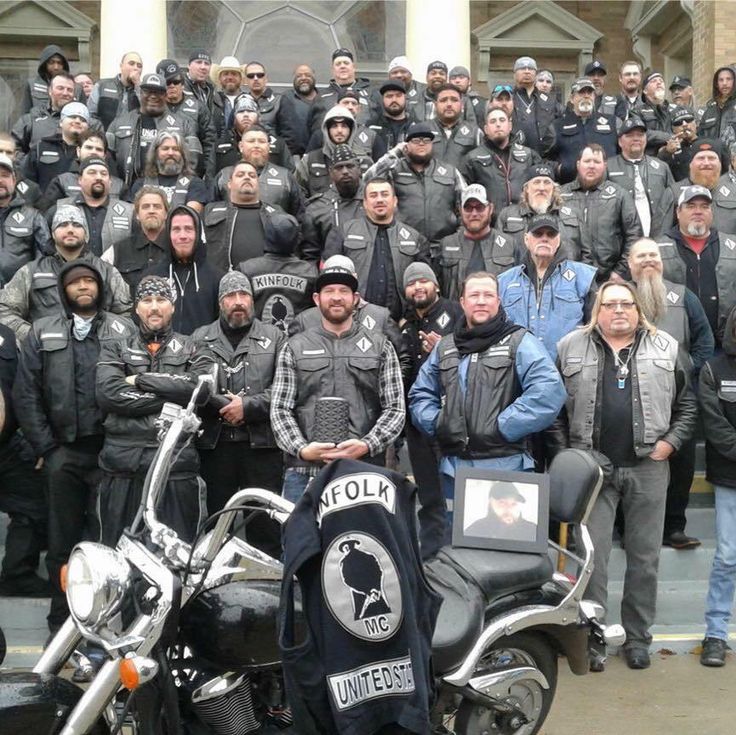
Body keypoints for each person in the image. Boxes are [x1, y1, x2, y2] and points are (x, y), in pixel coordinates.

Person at [554, 281, 696, 670]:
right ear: (597, 310)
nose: (619, 310)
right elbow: (555, 412)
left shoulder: (667, 348)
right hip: (593, 473)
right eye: (610, 304)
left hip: (648, 467)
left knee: (644, 559)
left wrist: (669, 444)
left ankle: (637, 639)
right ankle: (594, 639)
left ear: (639, 309)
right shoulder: (569, 347)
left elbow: (688, 406)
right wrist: (570, 456)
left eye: (626, 304)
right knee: (592, 560)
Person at [13, 260, 134, 632]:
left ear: (100, 287)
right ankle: (60, 627)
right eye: (75, 283)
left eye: (89, 281)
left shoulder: (123, 330)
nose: (83, 287)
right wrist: (48, 449)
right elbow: (26, 394)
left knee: (108, 547)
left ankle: (106, 628)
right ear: (63, 291)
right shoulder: (41, 331)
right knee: (62, 548)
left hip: (111, 456)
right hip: (62, 455)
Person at [409, 270, 566, 537]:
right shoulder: (445, 347)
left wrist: (501, 427)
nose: (481, 301)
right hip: (454, 470)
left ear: (498, 301)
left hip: (506, 466)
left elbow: (549, 391)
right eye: (474, 295)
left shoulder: (519, 342)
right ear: (462, 301)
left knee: (502, 552)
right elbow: (420, 395)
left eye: (488, 295)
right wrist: (440, 423)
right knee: (455, 550)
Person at [270, 262, 405, 502]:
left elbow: (395, 408)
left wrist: (366, 445)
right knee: (301, 539)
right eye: (329, 291)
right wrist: (302, 449)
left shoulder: (380, 346)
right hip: (304, 472)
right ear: (316, 298)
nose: (336, 298)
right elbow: (280, 408)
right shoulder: (294, 347)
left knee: (361, 538)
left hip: (365, 470)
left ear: (355, 299)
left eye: (343, 291)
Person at [95, 275, 213, 546]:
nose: (154, 307)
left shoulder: (194, 346)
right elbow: (109, 395)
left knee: (180, 556)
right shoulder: (116, 346)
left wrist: (138, 380)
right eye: (147, 300)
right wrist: (173, 399)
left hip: (176, 467)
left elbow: (201, 390)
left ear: (172, 306)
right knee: (118, 555)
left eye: (161, 300)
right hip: (123, 464)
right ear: (136, 308)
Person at [627, 238, 714, 549]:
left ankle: (674, 527)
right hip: (630, 395)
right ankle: (630, 529)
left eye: (654, 254)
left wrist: (688, 372)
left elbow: (705, 340)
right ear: (630, 263)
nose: (649, 260)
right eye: (642, 256)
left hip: (679, 396)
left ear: (662, 261)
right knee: (633, 464)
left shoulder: (683, 295)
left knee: (681, 461)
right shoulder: (620, 297)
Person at [192, 271, 285, 516]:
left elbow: (287, 389)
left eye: (244, 294)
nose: (238, 302)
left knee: (264, 527)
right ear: (220, 302)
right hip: (214, 447)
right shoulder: (199, 338)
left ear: (252, 300)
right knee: (214, 526)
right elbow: (191, 387)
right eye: (231, 296)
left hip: (262, 448)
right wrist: (223, 405)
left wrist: (248, 406)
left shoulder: (276, 338)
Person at [401, 262, 463, 559]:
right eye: (412, 284)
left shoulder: (456, 312)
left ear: (436, 285)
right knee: (428, 495)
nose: (418, 287)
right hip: (418, 423)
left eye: (424, 281)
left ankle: (455, 556)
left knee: (454, 494)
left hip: (453, 419)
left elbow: (476, 354)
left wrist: (447, 348)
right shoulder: (406, 322)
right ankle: (430, 559)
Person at [0, 204, 131, 343]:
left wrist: (107, 339)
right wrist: (35, 336)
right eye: (62, 225)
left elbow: (126, 314)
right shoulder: (31, 271)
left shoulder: (107, 271)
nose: (70, 229)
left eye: (76, 225)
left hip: (99, 355)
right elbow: (4, 310)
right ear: (52, 234)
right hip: (47, 354)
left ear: (86, 234)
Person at [322, 177, 431, 320]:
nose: (379, 200)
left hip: (400, 322)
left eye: (384, 194)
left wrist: (410, 320)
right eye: (373, 196)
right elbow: (327, 279)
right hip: (354, 320)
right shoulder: (343, 232)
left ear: (395, 201)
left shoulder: (415, 238)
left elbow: (425, 284)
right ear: (365, 203)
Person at [497, 213, 597, 360]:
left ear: (558, 240)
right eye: (538, 234)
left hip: (568, 368)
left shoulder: (583, 277)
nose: (544, 238)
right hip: (516, 369)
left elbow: (596, 327)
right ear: (526, 239)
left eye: (551, 234)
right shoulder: (504, 281)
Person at [698, 306, 736, 667]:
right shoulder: (714, 369)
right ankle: (716, 633)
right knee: (727, 556)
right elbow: (714, 423)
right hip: (730, 476)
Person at [0, 323, 48, 599]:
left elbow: (24, 387)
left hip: (8, 446)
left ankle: (17, 574)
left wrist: (35, 440)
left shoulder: (6, 336)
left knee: (33, 503)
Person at [658, 185, 736, 345]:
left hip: (725, 343)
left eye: (704, 206)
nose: (698, 211)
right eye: (691, 206)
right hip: (676, 342)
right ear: (678, 212)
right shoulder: (657, 248)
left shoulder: (732, 245)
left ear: (712, 212)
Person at [560, 144, 642, 281]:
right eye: (587, 161)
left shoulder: (619, 195)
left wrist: (621, 272)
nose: (591, 166)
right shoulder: (560, 195)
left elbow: (634, 234)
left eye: (597, 162)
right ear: (578, 164)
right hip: (568, 276)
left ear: (605, 165)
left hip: (609, 277)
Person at [107, 73, 200, 188]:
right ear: (140, 93)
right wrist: (118, 187)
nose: (153, 96)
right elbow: (107, 157)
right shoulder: (119, 123)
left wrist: (179, 187)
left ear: (166, 95)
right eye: (148, 91)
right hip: (127, 190)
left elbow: (194, 161)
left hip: (169, 191)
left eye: (158, 92)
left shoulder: (184, 124)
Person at [144, 205, 222, 335]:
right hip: (161, 352)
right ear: (168, 234)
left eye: (188, 229)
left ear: (198, 234)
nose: (182, 236)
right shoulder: (151, 277)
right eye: (176, 229)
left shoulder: (217, 278)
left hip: (203, 353)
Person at [237, 213, 316, 332]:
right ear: (297, 238)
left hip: (256, 343)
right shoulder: (309, 272)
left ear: (267, 235)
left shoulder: (246, 269)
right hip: (297, 342)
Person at [497, 163, 590, 263]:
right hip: (519, 277)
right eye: (536, 182)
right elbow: (498, 254)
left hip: (566, 276)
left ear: (554, 189)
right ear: (526, 188)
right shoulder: (507, 215)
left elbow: (588, 255)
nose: (541, 188)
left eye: (547, 182)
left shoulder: (573, 214)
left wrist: (577, 277)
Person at [437, 184, 515, 300]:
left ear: (491, 209)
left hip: (500, 316)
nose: (474, 213)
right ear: (460, 210)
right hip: (457, 316)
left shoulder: (510, 244)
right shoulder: (446, 245)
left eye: (480, 207)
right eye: (468, 208)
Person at [392, 121, 463, 246]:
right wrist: (395, 154)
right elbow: (369, 179)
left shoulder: (450, 172)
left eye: (426, 140)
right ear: (406, 145)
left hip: (444, 246)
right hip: (405, 245)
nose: (421, 143)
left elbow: (465, 205)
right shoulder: (395, 170)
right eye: (415, 140)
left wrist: (459, 237)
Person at [203, 160, 283, 272]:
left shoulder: (277, 213)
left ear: (258, 183)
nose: (247, 177)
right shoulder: (210, 211)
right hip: (221, 281)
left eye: (252, 175)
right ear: (229, 184)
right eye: (240, 175)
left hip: (266, 283)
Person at [212, 124, 303, 219]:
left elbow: (300, 215)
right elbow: (211, 212)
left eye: (261, 141)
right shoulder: (224, 176)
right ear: (241, 146)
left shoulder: (285, 177)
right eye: (251, 141)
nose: (256, 145)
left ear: (268, 147)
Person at [463, 107, 541, 216]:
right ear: (485, 129)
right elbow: (464, 196)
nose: (498, 124)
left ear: (510, 126)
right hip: (489, 223)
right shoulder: (472, 158)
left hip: (524, 221)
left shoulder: (528, 155)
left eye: (502, 120)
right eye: (493, 121)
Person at [50, 157, 134, 256]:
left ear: (110, 181)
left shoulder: (130, 212)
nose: (99, 177)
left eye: (103, 174)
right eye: (92, 172)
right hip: (72, 269)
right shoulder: (59, 208)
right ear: (80, 180)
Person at [607, 116, 675, 238]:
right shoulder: (608, 167)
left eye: (640, 135)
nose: (636, 139)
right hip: (621, 238)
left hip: (658, 236)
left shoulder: (661, 167)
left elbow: (673, 201)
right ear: (620, 141)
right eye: (630, 135)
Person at [543, 77, 618, 185]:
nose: (586, 96)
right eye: (581, 92)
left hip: (607, 188)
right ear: (572, 98)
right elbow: (543, 158)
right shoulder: (557, 126)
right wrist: (560, 169)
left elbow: (624, 152)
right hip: (571, 188)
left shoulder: (613, 122)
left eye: (590, 93)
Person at [300, 144, 364, 263]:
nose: (345, 171)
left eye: (350, 166)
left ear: (359, 169)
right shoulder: (316, 208)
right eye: (339, 167)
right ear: (330, 172)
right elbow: (310, 256)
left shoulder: (373, 202)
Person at [37, 128, 125, 213]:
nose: (93, 152)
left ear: (104, 156)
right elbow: (47, 216)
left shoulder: (119, 186)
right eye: (89, 147)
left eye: (99, 149)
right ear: (78, 151)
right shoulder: (61, 182)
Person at [156, 59, 215, 179]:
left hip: (192, 175)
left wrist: (208, 177)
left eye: (176, 81)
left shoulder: (199, 107)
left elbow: (210, 143)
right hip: (158, 173)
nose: (172, 86)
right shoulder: (152, 108)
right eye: (167, 82)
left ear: (182, 84)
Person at [101, 185, 168, 292]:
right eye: (146, 206)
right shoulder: (117, 251)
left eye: (157, 206)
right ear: (137, 214)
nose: (151, 211)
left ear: (166, 214)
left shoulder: (178, 248)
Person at [296, 105, 371, 198]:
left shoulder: (364, 160)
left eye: (344, 126)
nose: (339, 131)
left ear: (351, 129)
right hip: (319, 210)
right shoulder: (309, 160)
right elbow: (297, 195)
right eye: (334, 126)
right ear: (326, 130)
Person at [0, 152, 51, 287]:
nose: (0, 180)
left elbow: (46, 258)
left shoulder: (33, 217)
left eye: (4, 175)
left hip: (20, 296)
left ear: (14, 180)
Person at [127, 129, 209, 213]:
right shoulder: (141, 184)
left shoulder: (195, 184)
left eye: (176, 149)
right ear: (155, 153)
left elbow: (191, 215)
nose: (170, 153)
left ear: (183, 154)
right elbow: (135, 215)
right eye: (165, 148)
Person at [213, 95, 293, 174]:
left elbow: (290, 175)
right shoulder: (220, 145)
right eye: (241, 111)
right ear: (234, 117)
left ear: (259, 116)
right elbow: (211, 178)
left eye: (250, 111)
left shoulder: (278, 144)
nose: (246, 115)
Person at [670, 139, 736, 234]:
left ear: (720, 164)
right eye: (701, 158)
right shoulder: (674, 193)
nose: (706, 163)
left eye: (711, 158)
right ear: (690, 164)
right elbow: (661, 237)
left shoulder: (733, 192)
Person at [22, 102, 89, 193]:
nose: (77, 121)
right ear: (61, 122)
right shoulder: (40, 148)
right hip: (44, 205)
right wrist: (37, 202)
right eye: (72, 117)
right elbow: (26, 181)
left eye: (83, 120)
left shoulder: (91, 152)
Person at [308, 48, 371, 134]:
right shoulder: (320, 96)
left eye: (346, 63)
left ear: (353, 67)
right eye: (338, 64)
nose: (342, 66)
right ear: (333, 70)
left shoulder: (371, 93)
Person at [12, 73, 79, 154]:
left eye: (70, 90)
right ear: (50, 91)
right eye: (60, 88)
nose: (65, 93)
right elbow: (13, 147)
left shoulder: (84, 122)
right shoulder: (31, 119)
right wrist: (28, 164)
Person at [510, 56, 558, 154]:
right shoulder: (508, 98)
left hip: (544, 157)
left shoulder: (550, 101)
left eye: (531, 69)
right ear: (514, 75)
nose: (527, 71)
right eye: (522, 68)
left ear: (535, 74)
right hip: (514, 157)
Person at [428, 83, 483, 170]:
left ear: (462, 105)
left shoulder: (475, 133)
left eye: (454, 100)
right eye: (443, 100)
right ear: (435, 105)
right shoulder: (424, 130)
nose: (449, 104)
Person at [87, 51, 142, 131]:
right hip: (104, 137)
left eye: (139, 66)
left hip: (131, 140)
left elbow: (148, 113)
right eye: (131, 63)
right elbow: (90, 115)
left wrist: (138, 86)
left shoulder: (143, 91)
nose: (135, 68)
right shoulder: (102, 85)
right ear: (121, 66)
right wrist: (103, 133)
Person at [464, 483, 536, 542]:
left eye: (513, 503)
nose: (509, 509)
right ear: (490, 503)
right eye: (502, 503)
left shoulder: (533, 531)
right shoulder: (476, 530)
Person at [277, 64, 320, 156]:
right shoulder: (286, 98)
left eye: (307, 75)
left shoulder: (325, 98)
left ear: (314, 76)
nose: (303, 78)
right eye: (299, 76)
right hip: (292, 157)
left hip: (319, 156)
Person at [21, 44, 73, 114]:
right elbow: (25, 114)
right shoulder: (31, 85)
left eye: (59, 63)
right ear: (45, 64)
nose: (56, 67)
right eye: (52, 62)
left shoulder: (75, 87)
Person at [657, 106, 702, 182]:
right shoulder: (669, 150)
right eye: (679, 122)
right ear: (673, 129)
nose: (684, 124)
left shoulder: (710, 144)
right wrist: (667, 152)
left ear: (696, 123)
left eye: (688, 120)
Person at [633, 72, 673, 155]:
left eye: (661, 81)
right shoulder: (637, 111)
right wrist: (669, 137)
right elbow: (640, 134)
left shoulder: (674, 110)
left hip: (674, 160)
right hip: (649, 160)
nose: (659, 83)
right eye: (653, 81)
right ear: (645, 91)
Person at [366, 80, 414, 150]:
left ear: (405, 98)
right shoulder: (371, 127)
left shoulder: (415, 125)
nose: (394, 100)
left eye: (398, 95)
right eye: (389, 96)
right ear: (382, 99)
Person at [209, 56, 246, 138]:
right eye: (225, 74)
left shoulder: (249, 100)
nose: (230, 77)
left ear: (240, 78)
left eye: (234, 74)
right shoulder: (210, 100)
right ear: (219, 78)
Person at [242, 61, 282, 136]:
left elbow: (287, 133)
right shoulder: (241, 102)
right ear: (246, 80)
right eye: (251, 76)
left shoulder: (280, 101)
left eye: (260, 75)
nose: (256, 78)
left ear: (266, 78)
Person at [698, 66, 736, 141]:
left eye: (728, 79)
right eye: (721, 80)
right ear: (716, 84)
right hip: (711, 151)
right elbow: (700, 137)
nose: (724, 83)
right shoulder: (709, 111)